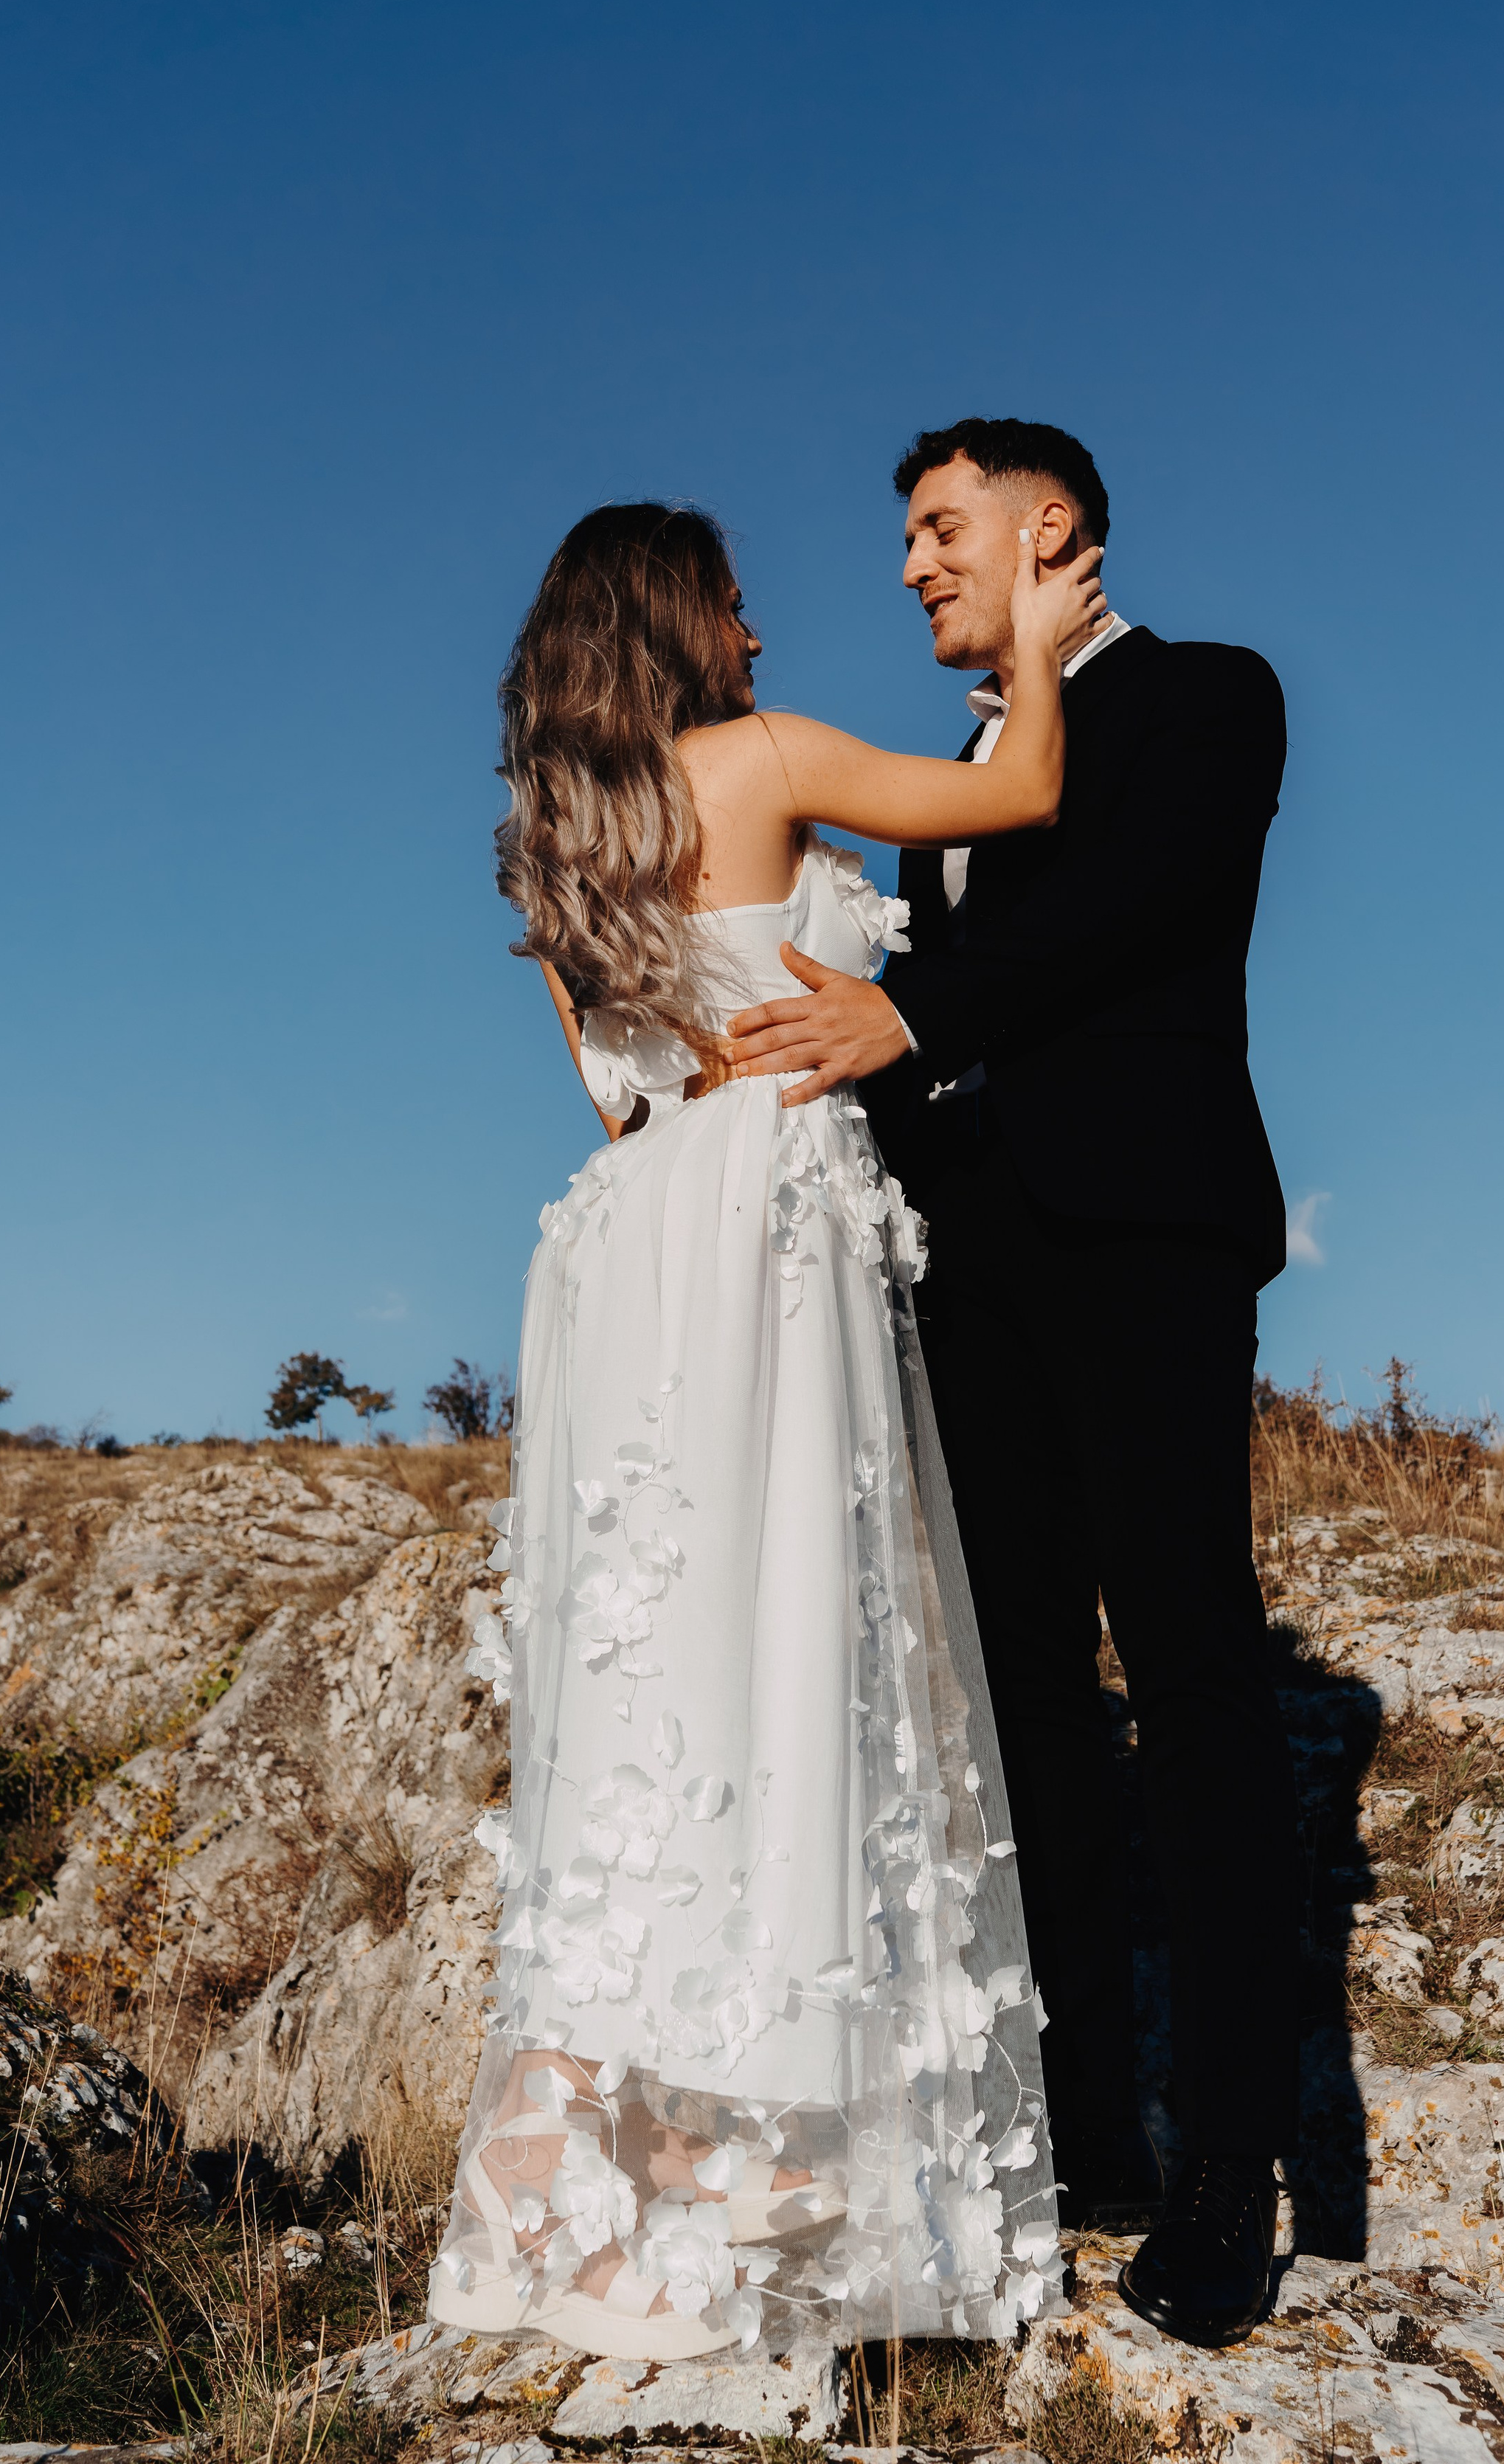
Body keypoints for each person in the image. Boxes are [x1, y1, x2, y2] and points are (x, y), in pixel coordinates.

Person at [427, 498, 1106, 2359]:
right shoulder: (772, 757)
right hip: (763, 1225)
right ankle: (778, 2173)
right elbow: (1024, 791)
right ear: (674, 619)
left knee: (652, 1679)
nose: (756, 629)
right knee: (791, 1644)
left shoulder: (554, 839)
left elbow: (613, 1089)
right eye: (731, 603)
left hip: (630, 1236)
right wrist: (1031, 627)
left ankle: (611, 2172)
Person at [724, 419, 1299, 2350]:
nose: (908, 565)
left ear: (1047, 524)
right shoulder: (943, 790)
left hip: (1143, 1238)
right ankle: (1082, 2137)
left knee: (1194, 1674)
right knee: (1026, 1703)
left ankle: (1231, 2167)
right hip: (973, 1276)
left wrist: (903, 1010)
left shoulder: (1210, 697)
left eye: (935, 526)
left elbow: (1128, 906)